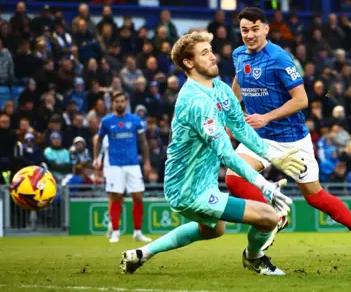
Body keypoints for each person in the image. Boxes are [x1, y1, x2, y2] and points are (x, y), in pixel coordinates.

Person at [120, 31, 306, 275]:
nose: (213, 57)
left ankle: (141, 254)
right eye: (204, 53)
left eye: (211, 51)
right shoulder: (195, 101)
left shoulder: (219, 88)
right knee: (269, 217)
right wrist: (263, 185)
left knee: (214, 229)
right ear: (189, 62)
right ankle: (254, 257)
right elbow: (226, 153)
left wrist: (275, 156)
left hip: (204, 183)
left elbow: (241, 129)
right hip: (188, 189)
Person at [226, 7, 351, 262]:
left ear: (265, 29)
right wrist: (231, 117)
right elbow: (237, 84)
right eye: (244, 30)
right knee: (233, 178)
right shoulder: (239, 54)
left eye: (254, 29)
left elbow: (302, 100)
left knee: (315, 197)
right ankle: (275, 213)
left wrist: (267, 116)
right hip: (258, 137)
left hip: (291, 139)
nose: (249, 35)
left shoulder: (280, 58)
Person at [93, 92, 153, 243]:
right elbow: (98, 140)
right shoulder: (107, 121)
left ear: (126, 103)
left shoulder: (135, 120)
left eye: (122, 101)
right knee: (116, 198)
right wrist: (96, 158)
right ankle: (115, 232)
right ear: (112, 103)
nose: (120, 104)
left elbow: (143, 142)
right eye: (117, 101)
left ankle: (138, 232)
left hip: (133, 164)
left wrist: (146, 162)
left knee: (138, 197)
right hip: (114, 165)